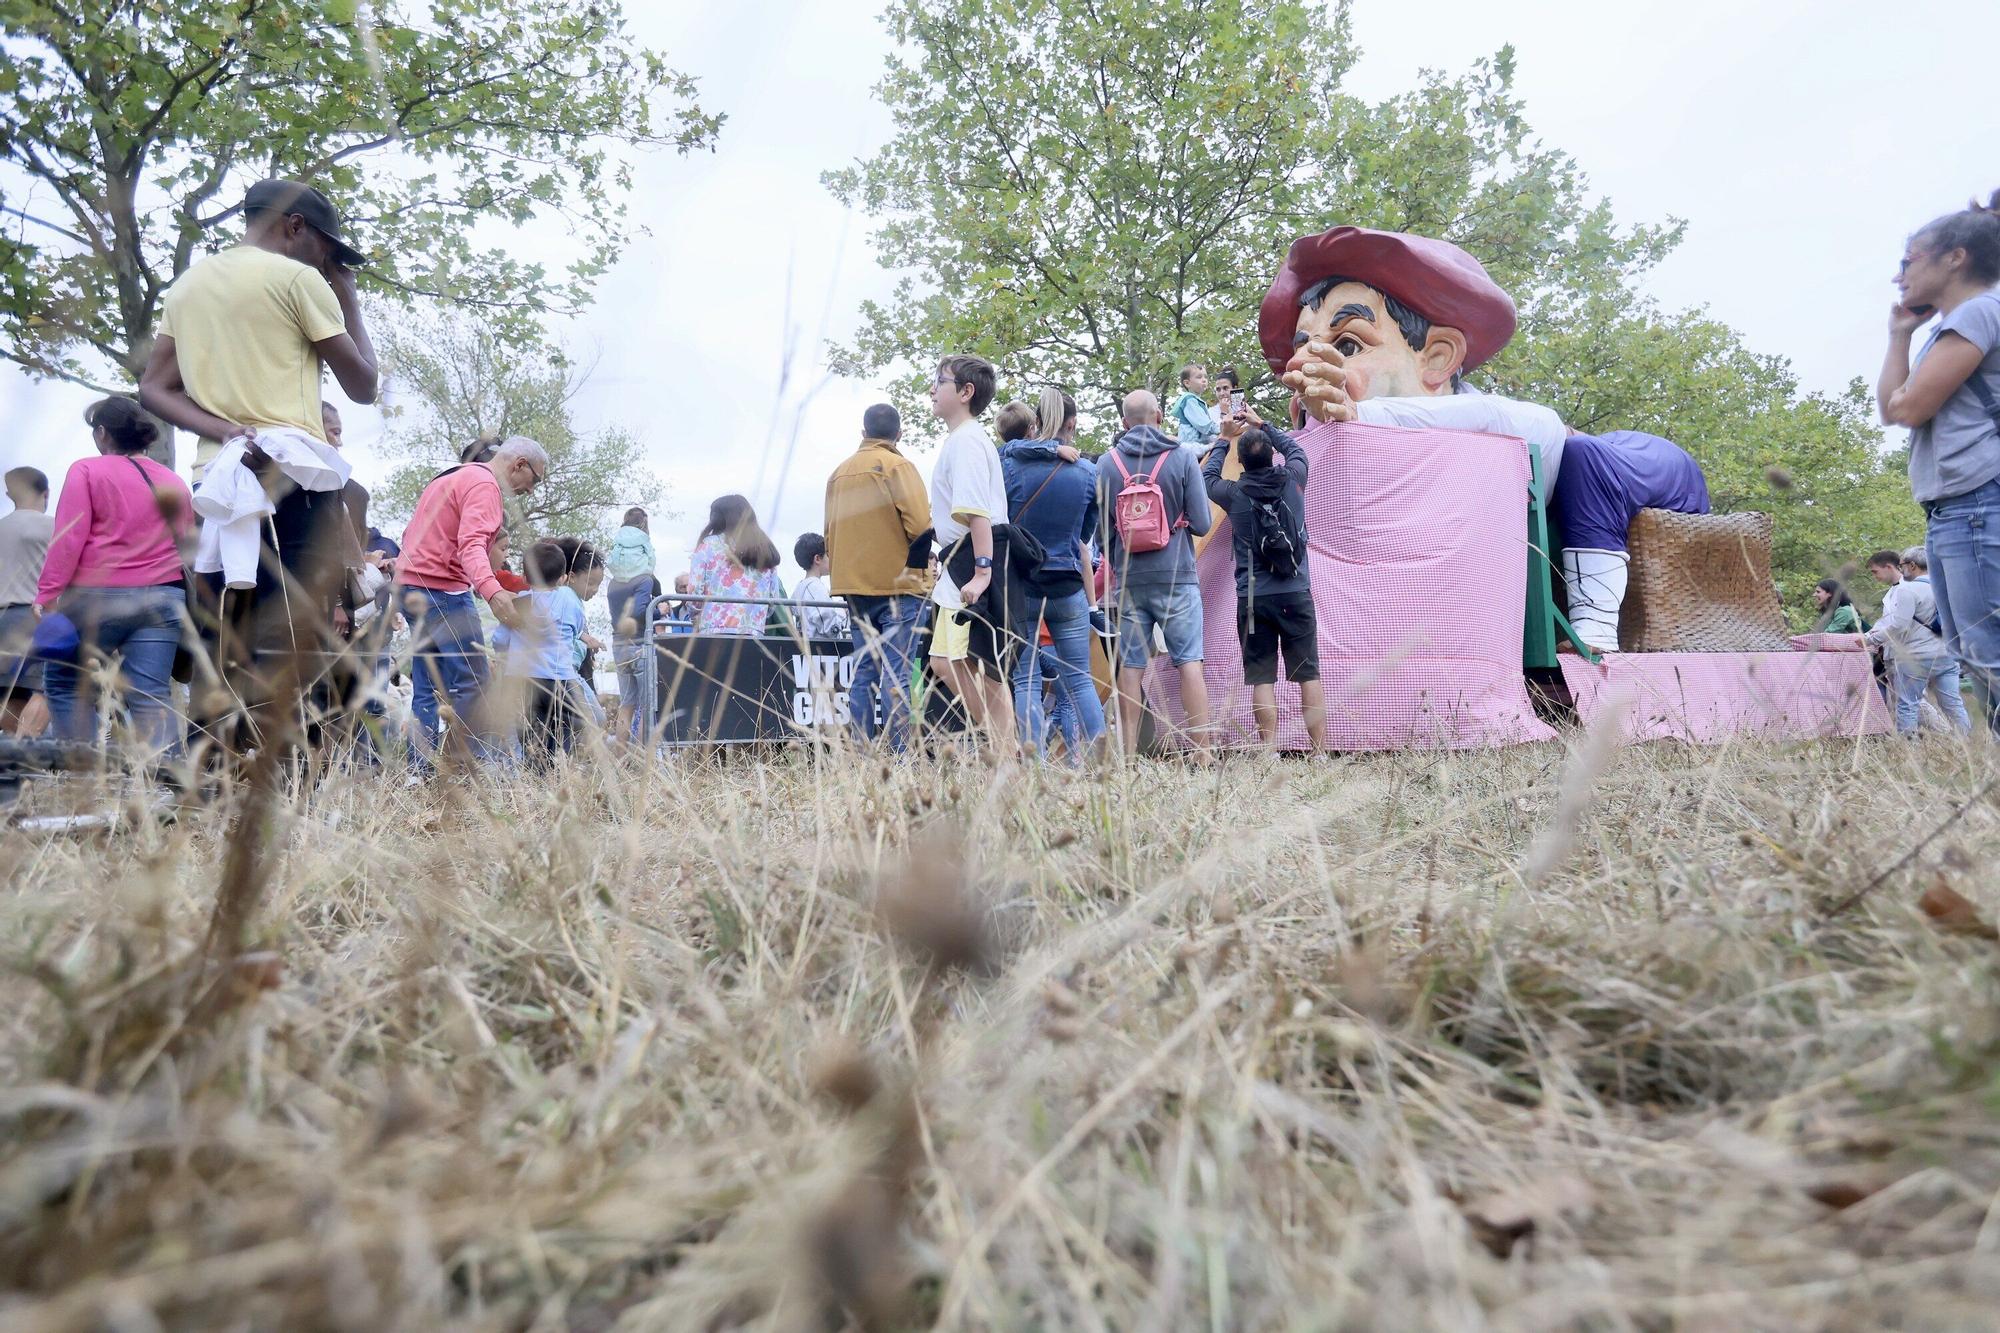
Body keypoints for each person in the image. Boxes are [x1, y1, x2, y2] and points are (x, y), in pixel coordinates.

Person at [1265, 226, 1710, 653]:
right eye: (1303, 348)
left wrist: (1359, 412)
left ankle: (1595, 626)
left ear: (1438, 358)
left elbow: (1500, 418)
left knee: (1583, 457)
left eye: (1346, 347)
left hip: (1649, 465)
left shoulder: (1495, 417)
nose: (1306, 365)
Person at [1879, 194, 2000, 735]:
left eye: (1908, 260)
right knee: (1976, 652)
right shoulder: (1956, 324)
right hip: (1956, 507)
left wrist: (1906, 393)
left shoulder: (1979, 312)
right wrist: (1900, 335)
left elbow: (1910, 407)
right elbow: (1892, 409)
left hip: (1977, 500)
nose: (1899, 275)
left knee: (1987, 652)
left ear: (1955, 258)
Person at [34, 399, 195, 758]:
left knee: (66, 683)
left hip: (98, 597)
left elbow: (69, 538)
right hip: (164, 598)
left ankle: (86, 774)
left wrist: (48, 594)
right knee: (150, 695)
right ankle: (168, 781)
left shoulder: (86, 470)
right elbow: (186, 545)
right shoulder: (174, 481)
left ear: (103, 433)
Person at [394, 435, 548, 766]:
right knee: (476, 684)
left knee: (426, 686)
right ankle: (464, 769)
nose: (531, 489)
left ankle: (418, 771)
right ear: (519, 465)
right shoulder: (486, 485)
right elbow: (472, 545)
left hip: (409, 587)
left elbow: (411, 535)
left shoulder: (451, 476)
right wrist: (492, 591)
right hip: (443, 591)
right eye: (535, 479)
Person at [1097, 387, 1214, 756]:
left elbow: (1101, 536)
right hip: (1177, 576)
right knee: (1189, 663)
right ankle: (1202, 753)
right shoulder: (1181, 457)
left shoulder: (1106, 464)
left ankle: (1128, 755)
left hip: (1129, 581)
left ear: (1124, 422)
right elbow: (1202, 523)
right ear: (1160, 416)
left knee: (1131, 667)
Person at [1202, 411, 1329, 750]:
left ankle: (1268, 752)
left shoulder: (1234, 494)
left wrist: (1223, 439)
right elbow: (1296, 450)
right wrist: (1263, 425)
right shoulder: (1294, 479)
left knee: (1262, 678)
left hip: (1254, 597)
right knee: (1308, 675)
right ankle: (1318, 753)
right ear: (1272, 454)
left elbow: (1208, 477)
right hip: (1296, 591)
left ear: (1240, 461)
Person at [1002, 388, 1106, 759]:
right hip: (1067, 585)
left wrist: (1043, 449)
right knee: (1080, 680)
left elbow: (1005, 450)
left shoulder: (1011, 463)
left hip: (1021, 584)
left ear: (1035, 422)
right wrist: (1053, 450)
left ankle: (1034, 766)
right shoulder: (1088, 472)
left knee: (1026, 681)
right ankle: (1100, 763)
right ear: (1072, 424)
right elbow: (1084, 535)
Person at [825, 403, 934, 751]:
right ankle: (900, 759)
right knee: (897, 674)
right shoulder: (898, 466)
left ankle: (860, 755)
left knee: (864, 674)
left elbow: (829, 531)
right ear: (899, 434)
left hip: (854, 587)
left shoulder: (838, 473)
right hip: (900, 586)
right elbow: (921, 526)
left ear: (863, 432)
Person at [927, 353, 1022, 752]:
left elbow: (977, 513)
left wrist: (982, 572)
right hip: (964, 558)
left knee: (970, 664)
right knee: (953, 662)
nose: (932, 389)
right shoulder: (963, 439)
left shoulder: (966, 440)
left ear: (966, 391)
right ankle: (1005, 753)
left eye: (940, 381)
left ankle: (1006, 755)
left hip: (972, 559)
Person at [1865, 550, 1972, 736]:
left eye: (1902, 565)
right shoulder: (1947, 587)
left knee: (1908, 704)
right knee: (1953, 704)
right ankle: (1967, 744)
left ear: (1912, 565)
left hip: (1915, 656)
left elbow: (1899, 625)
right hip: (1947, 654)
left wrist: (1871, 639)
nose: (1901, 569)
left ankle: (1909, 747)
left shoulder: (1907, 589)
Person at [504, 539, 588, 769]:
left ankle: (535, 773)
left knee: (530, 734)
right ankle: (557, 767)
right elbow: (578, 629)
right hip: (559, 679)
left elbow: (499, 639)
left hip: (522, 680)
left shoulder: (518, 604)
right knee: (565, 723)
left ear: (524, 577)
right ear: (563, 578)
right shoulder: (569, 602)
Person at [1, 466, 55, 736]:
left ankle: (15, 757)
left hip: (2, 621)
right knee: (45, 691)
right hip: (35, 619)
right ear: (46, 493)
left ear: (9, 494)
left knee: (10, 697)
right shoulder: (55, 526)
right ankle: (30, 751)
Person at [689, 495, 784, 635]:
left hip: (713, 629)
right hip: (753, 631)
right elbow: (772, 599)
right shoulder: (764, 549)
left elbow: (694, 594)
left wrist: (695, 616)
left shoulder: (707, 546)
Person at [790, 533, 850, 640]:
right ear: (817, 559)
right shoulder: (815, 587)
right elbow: (831, 628)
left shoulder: (800, 587)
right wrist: (842, 611)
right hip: (822, 647)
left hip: (808, 646)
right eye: (828, 555)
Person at [1169, 363, 1219, 455]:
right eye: (1199, 377)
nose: (1204, 380)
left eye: (1205, 377)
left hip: (1198, 446)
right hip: (1192, 447)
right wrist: (1222, 429)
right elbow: (1203, 425)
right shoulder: (1189, 400)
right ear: (1187, 383)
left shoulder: (1196, 401)